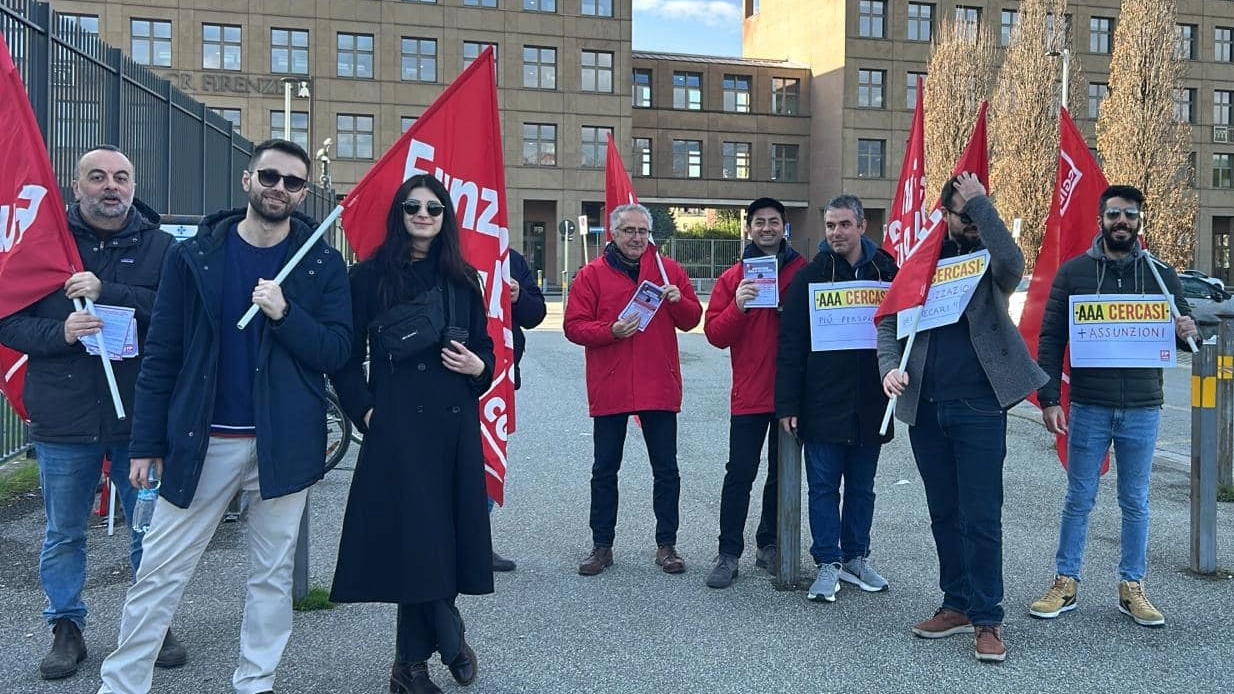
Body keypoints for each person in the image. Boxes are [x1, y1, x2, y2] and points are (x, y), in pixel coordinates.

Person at [97, 139, 352, 694]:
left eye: (292, 182)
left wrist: (285, 315)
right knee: (160, 571)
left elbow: (335, 351)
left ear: (304, 192)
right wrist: (145, 443)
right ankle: (122, 684)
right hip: (203, 440)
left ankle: (255, 681)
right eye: (269, 176)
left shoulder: (319, 262)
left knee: (271, 575)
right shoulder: (197, 257)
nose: (279, 188)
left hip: (283, 442)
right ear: (247, 180)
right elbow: (162, 350)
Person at [0, 145, 182, 680]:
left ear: (132, 185)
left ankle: (153, 621)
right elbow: (8, 322)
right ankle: (66, 628)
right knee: (63, 531)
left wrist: (111, 292)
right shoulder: (44, 246)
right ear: (75, 187)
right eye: (97, 177)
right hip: (64, 416)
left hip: (142, 418)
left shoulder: (162, 248)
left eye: (121, 177)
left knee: (150, 530)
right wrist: (60, 332)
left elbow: (179, 313)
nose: (111, 186)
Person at [329, 173, 494, 694]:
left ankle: (410, 667)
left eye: (434, 208)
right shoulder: (369, 278)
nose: (423, 215)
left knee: (440, 540)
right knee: (419, 542)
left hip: (453, 427)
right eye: (412, 207)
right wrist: (367, 414)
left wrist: (477, 367)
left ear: (446, 217)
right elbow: (345, 360)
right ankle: (443, 640)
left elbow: (487, 351)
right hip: (398, 427)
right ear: (398, 214)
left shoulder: (464, 277)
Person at [878, 172, 1048, 663]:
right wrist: (890, 369)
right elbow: (888, 323)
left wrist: (982, 204)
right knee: (944, 512)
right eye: (963, 216)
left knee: (981, 516)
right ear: (944, 217)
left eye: (977, 216)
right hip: (927, 408)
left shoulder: (989, 261)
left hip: (979, 406)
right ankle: (955, 603)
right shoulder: (921, 264)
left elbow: (1015, 264)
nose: (971, 224)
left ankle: (987, 617)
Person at [1029, 184, 1197, 628]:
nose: (1121, 222)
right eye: (1113, 215)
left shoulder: (1161, 274)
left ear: (1140, 221)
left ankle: (1132, 586)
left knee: (1136, 501)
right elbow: (1051, 338)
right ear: (1101, 220)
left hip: (1143, 406)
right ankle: (1065, 580)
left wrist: (1184, 327)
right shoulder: (1074, 273)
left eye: (1129, 215)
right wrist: (1048, 397)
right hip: (1089, 405)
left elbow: (1184, 338)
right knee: (1079, 498)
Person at [564, 203, 702, 576]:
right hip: (611, 383)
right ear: (613, 233)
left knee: (667, 470)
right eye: (629, 231)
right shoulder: (591, 274)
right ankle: (602, 545)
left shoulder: (666, 269)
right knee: (605, 470)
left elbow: (692, 321)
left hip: (658, 382)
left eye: (642, 231)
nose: (637, 238)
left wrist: (680, 300)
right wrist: (610, 331)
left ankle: (667, 545)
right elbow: (573, 326)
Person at [777, 194, 897, 602]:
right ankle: (827, 561)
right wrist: (788, 404)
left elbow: (904, 330)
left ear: (863, 226)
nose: (836, 233)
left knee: (862, 487)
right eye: (830, 226)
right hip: (822, 402)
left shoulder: (887, 272)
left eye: (844, 224)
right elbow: (790, 345)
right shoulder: (810, 278)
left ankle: (855, 558)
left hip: (871, 403)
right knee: (824, 487)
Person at [701, 197, 805, 589]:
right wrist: (738, 309)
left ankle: (770, 543)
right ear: (748, 228)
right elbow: (714, 335)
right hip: (748, 393)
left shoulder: (802, 272)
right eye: (759, 222)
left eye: (773, 221)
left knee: (782, 477)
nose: (766, 228)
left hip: (790, 395)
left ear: (784, 227)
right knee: (739, 474)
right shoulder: (734, 278)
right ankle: (729, 552)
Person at [489, 247, 547, 572]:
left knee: (489, 457)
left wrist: (518, 296)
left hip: (500, 377)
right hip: (448, 376)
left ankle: (476, 539)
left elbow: (535, 314)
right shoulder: (445, 250)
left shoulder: (510, 259)